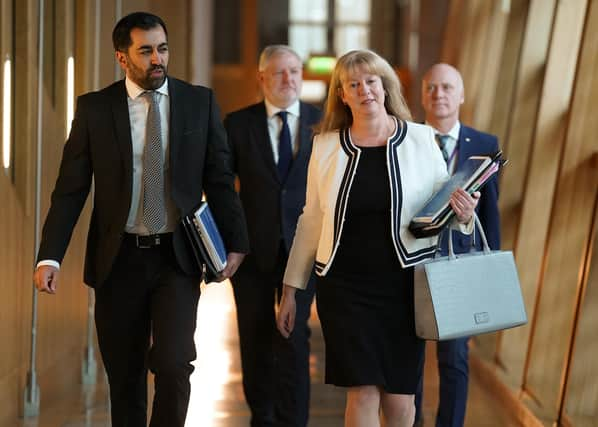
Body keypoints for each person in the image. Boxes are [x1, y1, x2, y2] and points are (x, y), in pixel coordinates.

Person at [32, 12, 249, 427]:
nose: (157, 59)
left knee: (173, 363)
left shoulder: (197, 103)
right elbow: (70, 190)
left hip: (177, 257)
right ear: (122, 57)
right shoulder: (95, 109)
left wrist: (235, 242)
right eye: (145, 50)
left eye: (162, 48)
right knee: (125, 376)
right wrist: (50, 257)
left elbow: (219, 178)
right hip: (119, 261)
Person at [276, 49, 479, 427]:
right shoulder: (325, 146)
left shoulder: (420, 139)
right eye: (353, 84)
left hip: (404, 283)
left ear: (384, 87)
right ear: (342, 94)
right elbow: (311, 219)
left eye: (371, 81)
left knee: (401, 402)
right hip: (344, 286)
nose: (364, 89)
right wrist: (291, 288)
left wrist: (464, 216)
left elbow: (443, 208)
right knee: (362, 393)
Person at [224, 45, 322, 427]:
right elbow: (221, 188)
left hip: (303, 247)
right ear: (262, 78)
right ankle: (261, 417)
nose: (288, 79)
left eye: (294, 71)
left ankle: (294, 419)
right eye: (279, 72)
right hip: (251, 250)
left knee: (294, 337)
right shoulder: (236, 124)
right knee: (254, 336)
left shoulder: (323, 122)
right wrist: (228, 244)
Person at [413, 63, 501, 427]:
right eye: (431, 87)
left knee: (454, 360)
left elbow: (491, 214)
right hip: (414, 264)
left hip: (461, 267)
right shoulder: (407, 141)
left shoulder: (485, 145)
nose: (439, 94)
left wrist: (490, 267)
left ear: (461, 95)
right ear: (422, 95)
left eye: (447, 87)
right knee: (410, 361)